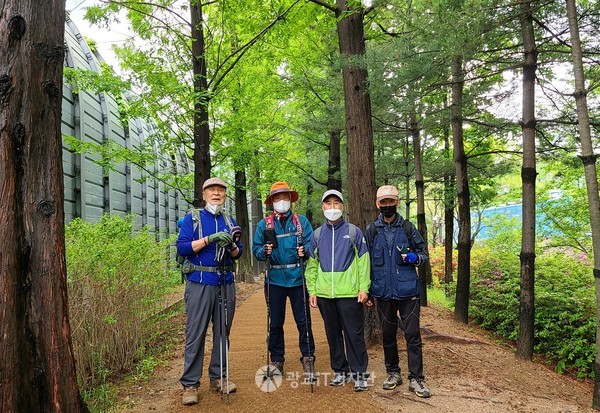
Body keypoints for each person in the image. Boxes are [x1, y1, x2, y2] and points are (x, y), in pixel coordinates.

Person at [176, 177, 243, 405]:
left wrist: (231, 245)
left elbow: (238, 254)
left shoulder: (229, 220)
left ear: (225, 195)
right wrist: (208, 239)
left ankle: (219, 377)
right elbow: (183, 247)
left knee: (223, 333)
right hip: (199, 282)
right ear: (204, 194)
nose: (216, 193)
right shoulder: (192, 219)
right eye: (212, 190)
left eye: (221, 190)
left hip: (225, 282)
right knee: (196, 333)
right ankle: (190, 384)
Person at [365, 185, 431, 398]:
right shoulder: (372, 230)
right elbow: (364, 262)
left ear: (397, 202)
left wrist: (415, 258)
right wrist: (366, 290)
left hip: (408, 291)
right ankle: (393, 373)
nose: (387, 205)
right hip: (383, 292)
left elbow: (424, 253)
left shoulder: (408, 228)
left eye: (390, 201)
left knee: (412, 335)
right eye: (383, 202)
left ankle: (416, 378)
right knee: (388, 335)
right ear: (377, 204)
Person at [305, 189, 371, 392]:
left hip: (350, 293)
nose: (332, 208)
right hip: (325, 294)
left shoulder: (353, 232)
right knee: (333, 335)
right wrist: (312, 291)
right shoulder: (316, 235)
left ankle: (359, 373)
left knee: (354, 334)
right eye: (328, 204)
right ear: (322, 207)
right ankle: (340, 371)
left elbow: (363, 262)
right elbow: (312, 266)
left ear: (342, 206)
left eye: (336, 203)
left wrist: (363, 288)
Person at [252, 181, 316, 381]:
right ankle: (277, 359)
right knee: (275, 322)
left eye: (285, 197)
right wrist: (264, 251)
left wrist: (304, 251)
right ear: (271, 202)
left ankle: (308, 358)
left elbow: (311, 244)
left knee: (303, 320)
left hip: (298, 278)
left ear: (290, 200)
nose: (281, 201)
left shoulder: (301, 221)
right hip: (275, 280)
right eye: (277, 198)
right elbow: (256, 249)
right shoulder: (264, 224)